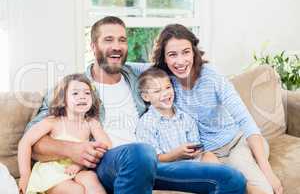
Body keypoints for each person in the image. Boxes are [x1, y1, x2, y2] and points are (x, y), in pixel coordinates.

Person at [26, 16, 246, 194]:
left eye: (122, 40)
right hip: (111, 163)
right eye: (108, 40)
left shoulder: (136, 77)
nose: (117, 46)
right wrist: (73, 149)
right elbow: (33, 141)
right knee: (140, 153)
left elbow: (173, 64)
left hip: (154, 162)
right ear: (93, 46)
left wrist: (205, 69)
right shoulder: (73, 88)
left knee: (232, 180)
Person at [152, 23, 283, 194]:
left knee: (262, 190)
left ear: (194, 51)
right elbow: (127, 66)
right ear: (164, 58)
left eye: (186, 52)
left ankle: (257, 165)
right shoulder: (165, 81)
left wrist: (268, 172)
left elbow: (245, 120)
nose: (180, 61)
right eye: (172, 54)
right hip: (208, 154)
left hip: (237, 143)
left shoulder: (211, 76)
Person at [18, 74, 111, 194]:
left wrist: (80, 165)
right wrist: (25, 175)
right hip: (52, 171)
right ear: (63, 99)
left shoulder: (92, 123)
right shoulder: (53, 121)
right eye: (75, 93)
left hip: (78, 169)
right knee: (76, 190)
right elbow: (25, 142)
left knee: (91, 179)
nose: (82, 97)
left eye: (87, 93)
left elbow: (106, 145)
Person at [136, 67, 219, 164]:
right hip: (169, 169)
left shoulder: (185, 117)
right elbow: (153, 159)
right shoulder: (146, 124)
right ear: (146, 97)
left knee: (209, 155)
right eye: (157, 91)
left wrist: (195, 152)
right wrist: (175, 155)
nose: (165, 93)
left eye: (168, 87)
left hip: (192, 164)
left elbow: (196, 147)